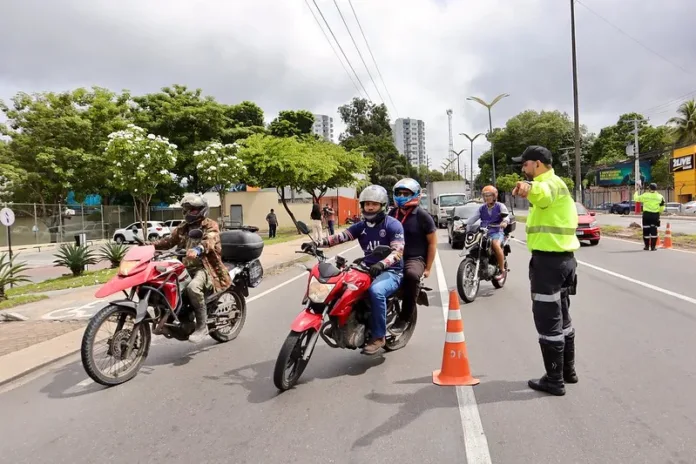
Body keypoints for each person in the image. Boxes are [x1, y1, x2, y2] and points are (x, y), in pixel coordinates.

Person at [511, 145, 580, 396]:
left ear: (537, 163)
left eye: (525, 163)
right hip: (564, 262)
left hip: (549, 265)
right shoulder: (559, 184)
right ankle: (567, 372)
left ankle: (554, 380)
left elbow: (541, 192)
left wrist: (526, 187)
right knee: (562, 319)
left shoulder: (547, 184)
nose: (523, 168)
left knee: (548, 322)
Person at [304, 185, 405, 354]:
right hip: (366, 268)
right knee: (339, 286)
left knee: (376, 292)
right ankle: (341, 324)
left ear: (383, 206)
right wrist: (316, 244)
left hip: (391, 271)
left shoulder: (393, 225)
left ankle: (379, 336)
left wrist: (382, 264)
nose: (370, 207)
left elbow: (398, 252)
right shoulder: (362, 225)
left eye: (374, 204)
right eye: (367, 204)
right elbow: (340, 237)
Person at [152, 194, 232, 343]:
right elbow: (168, 242)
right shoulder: (183, 228)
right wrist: (149, 246)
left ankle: (202, 327)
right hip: (184, 267)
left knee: (193, 288)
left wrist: (198, 249)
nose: (189, 213)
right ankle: (177, 319)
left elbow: (210, 240)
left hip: (206, 267)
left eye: (193, 210)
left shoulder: (210, 225)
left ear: (202, 210)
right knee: (164, 286)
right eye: (187, 210)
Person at [387, 178, 437, 334]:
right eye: (399, 193)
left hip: (414, 258)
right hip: (392, 256)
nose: (402, 196)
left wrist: (428, 268)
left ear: (415, 195)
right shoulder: (392, 213)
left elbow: (432, 244)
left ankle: (404, 318)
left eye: (406, 193)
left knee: (412, 275)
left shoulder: (423, 216)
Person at [465, 185, 510, 280]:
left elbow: (506, 216)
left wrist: (504, 222)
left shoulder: (500, 206)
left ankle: (502, 270)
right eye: (485, 195)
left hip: (497, 232)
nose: (486, 198)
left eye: (489, 195)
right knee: (474, 244)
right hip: (483, 232)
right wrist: (464, 224)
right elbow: (473, 218)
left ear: (494, 196)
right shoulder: (481, 208)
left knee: (495, 245)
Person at [633, 182, 665, 251]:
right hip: (655, 215)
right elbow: (662, 207)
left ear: (649, 188)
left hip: (646, 215)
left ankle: (646, 247)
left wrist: (636, 191)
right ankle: (653, 247)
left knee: (646, 230)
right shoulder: (660, 196)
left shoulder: (645, 195)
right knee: (654, 231)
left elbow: (636, 199)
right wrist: (659, 212)